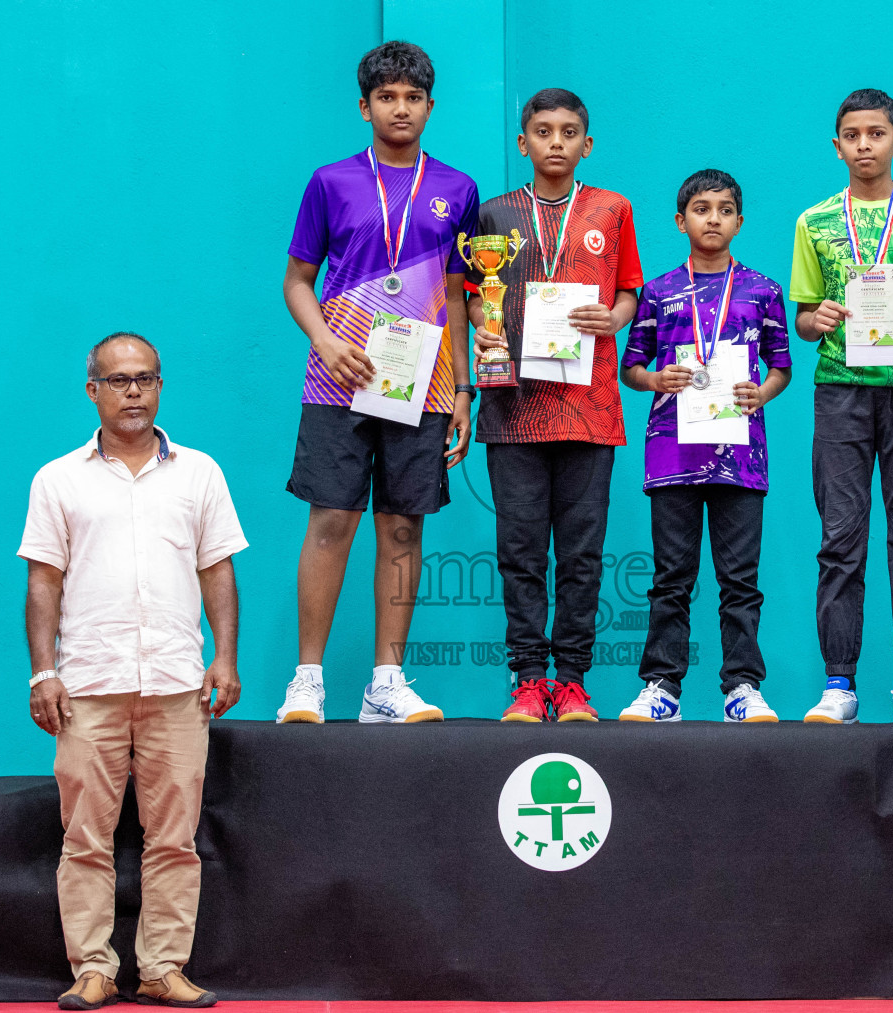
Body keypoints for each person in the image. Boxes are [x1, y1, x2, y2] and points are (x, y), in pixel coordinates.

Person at [20, 332, 248, 1011]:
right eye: (118, 380)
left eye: (145, 379)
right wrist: (43, 674)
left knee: (174, 840)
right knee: (85, 839)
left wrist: (226, 656)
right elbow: (43, 584)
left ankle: (162, 967)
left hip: (178, 687)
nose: (133, 392)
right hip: (87, 688)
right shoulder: (58, 479)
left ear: (159, 386)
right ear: (92, 389)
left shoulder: (200, 473)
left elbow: (218, 570)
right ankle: (92, 967)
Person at [277, 41, 480, 725]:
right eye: (386, 96)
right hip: (341, 376)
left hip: (420, 380)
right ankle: (307, 680)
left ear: (429, 106)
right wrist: (327, 342)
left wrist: (463, 389)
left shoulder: (457, 189)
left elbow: (456, 296)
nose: (400, 107)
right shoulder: (330, 182)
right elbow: (297, 282)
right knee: (332, 519)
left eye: (412, 97)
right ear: (364, 106)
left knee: (402, 529)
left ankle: (386, 682)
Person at [467, 88, 642, 723]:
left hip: (590, 406)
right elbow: (474, 297)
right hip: (514, 408)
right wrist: (484, 328)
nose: (557, 143)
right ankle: (526, 679)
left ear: (586, 144)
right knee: (518, 549)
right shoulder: (493, 215)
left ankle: (570, 682)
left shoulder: (611, 210)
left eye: (570, 132)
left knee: (581, 551)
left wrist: (612, 318)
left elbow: (629, 294)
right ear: (524, 143)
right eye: (544, 132)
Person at [789, 88, 893, 725]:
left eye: (877, 134)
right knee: (840, 541)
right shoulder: (814, 222)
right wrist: (820, 317)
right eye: (853, 135)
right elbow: (804, 321)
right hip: (839, 391)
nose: (865, 145)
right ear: (838, 146)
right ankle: (840, 684)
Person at [616, 169, 792, 723]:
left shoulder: (762, 290)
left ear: (739, 221)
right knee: (672, 578)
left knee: (740, 580)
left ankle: (742, 686)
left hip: (741, 457)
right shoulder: (659, 290)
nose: (712, 218)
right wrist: (655, 380)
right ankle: (661, 686)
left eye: (723, 209)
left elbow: (782, 368)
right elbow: (631, 367)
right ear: (680, 220)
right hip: (673, 455)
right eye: (700, 208)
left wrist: (758, 393)